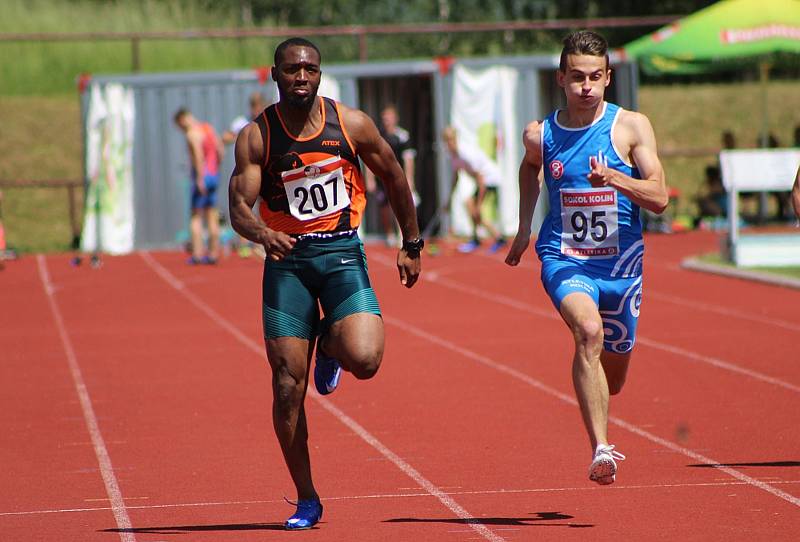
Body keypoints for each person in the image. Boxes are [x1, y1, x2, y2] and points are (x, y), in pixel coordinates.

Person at [227, 37, 422, 530]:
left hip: (340, 252)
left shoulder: (350, 125)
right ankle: (308, 497)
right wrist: (262, 233)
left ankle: (329, 347)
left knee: (367, 359)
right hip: (287, 261)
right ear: (274, 75)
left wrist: (412, 242)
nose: (301, 77)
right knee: (287, 386)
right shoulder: (257, 136)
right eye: (291, 69)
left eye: (309, 69)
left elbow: (395, 176)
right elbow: (237, 208)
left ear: (320, 73)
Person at [504, 30, 668, 486]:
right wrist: (524, 228)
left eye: (595, 77)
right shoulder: (542, 133)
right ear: (561, 78)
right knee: (588, 331)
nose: (586, 87)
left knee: (612, 379)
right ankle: (601, 448)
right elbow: (529, 167)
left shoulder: (631, 127)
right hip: (565, 258)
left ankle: (599, 401)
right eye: (576, 77)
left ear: (608, 78)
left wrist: (615, 178)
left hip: (621, 267)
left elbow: (659, 198)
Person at [441, 126, 506, 253]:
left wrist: (479, 204)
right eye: (446, 140)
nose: (449, 143)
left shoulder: (466, 154)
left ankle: (498, 237)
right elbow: (455, 178)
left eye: (450, 140)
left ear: (455, 139)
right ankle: (478, 238)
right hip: (482, 180)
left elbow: (481, 179)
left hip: (491, 178)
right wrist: (449, 200)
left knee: (474, 209)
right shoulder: (454, 156)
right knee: (470, 205)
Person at [174, 108, 224, 264]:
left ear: (183, 119)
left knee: (195, 215)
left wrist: (200, 178)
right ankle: (214, 253)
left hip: (202, 176)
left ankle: (197, 253)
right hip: (213, 174)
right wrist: (215, 168)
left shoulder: (192, 134)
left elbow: (198, 156)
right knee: (211, 213)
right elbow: (220, 149)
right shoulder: (208, 128)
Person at [223, 92, 269, 259]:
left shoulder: (268, 120)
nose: (257, 110)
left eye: (259, 106)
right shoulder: (242, 122)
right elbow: (226, 137)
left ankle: (263, 243)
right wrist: (236, 136)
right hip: (248, 169)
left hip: (265, 171)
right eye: (254, 107)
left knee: (264, 207)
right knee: (244, 206)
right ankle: (244, 244)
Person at [365, 104, 417, 246]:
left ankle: (402, 234)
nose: (387, 121)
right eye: (385, 118)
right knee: (384, 207)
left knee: (400, 205)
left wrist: (409, 179)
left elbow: (409, 159)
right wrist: (369, 179)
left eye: (389, 118)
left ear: (396, 119)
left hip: (397, 177)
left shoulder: (403, 136)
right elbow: (370, 157)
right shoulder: (379, 136)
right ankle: (389, 234)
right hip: (382, 176)